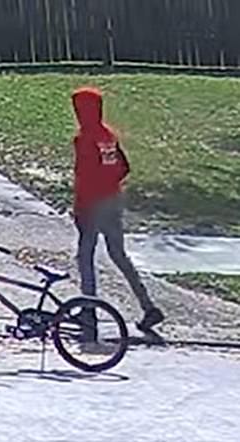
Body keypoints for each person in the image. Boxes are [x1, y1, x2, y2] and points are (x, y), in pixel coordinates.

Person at [71, 87, 164, 332]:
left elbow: (84, 176)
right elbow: (124, 167)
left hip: (92, 203)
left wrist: (80, 207)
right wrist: (110, 184)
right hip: (113, 200)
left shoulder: (84, 138)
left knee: (85, 256)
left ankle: (89, 310)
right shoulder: (108, 135)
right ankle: (148, 306)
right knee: (118, 254)